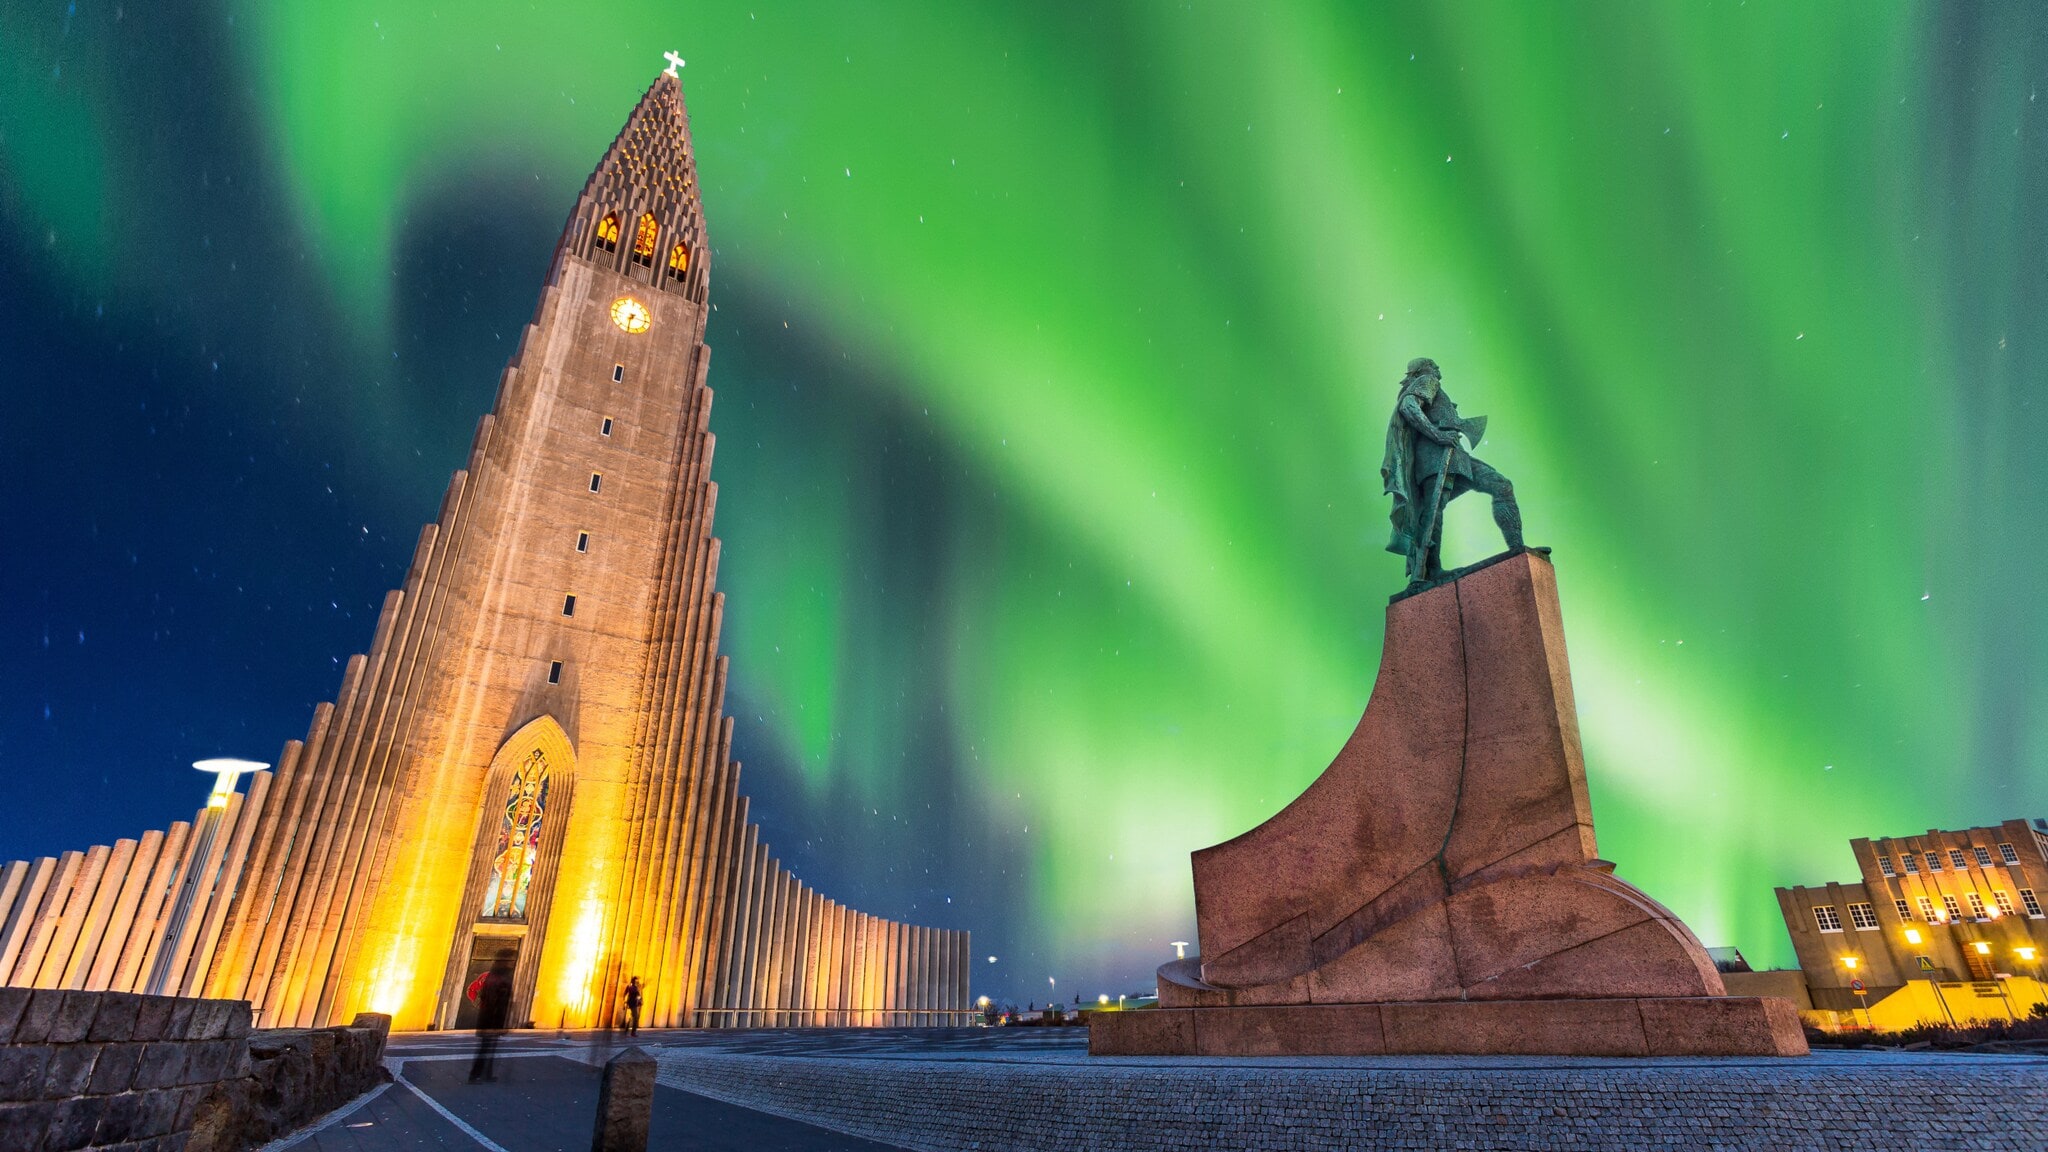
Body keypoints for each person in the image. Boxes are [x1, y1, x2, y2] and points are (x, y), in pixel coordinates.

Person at [1380, 357, 1525, 587]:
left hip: (1455, 456)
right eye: (1432, 365)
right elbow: (1409, 406)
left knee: (1499, 486)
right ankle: (1429, 571)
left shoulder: (1432, 386)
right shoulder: (1426, 381)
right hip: (1437, 457)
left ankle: (1518, 551)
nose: (1437, 368)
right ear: (1420, 371)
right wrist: (1438, 435)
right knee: (1433, 511)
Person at [468, 949, 515, 1083]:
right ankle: (475, 1075)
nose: (512, 963)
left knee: (489, 1048)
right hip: (490, 1019)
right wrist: (497, 1022)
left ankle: (486, 1074)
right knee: (485, 1049)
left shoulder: (498, 976)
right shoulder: (498, 978)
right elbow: (494, 1001)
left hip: (492, 1019)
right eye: (510, 960)